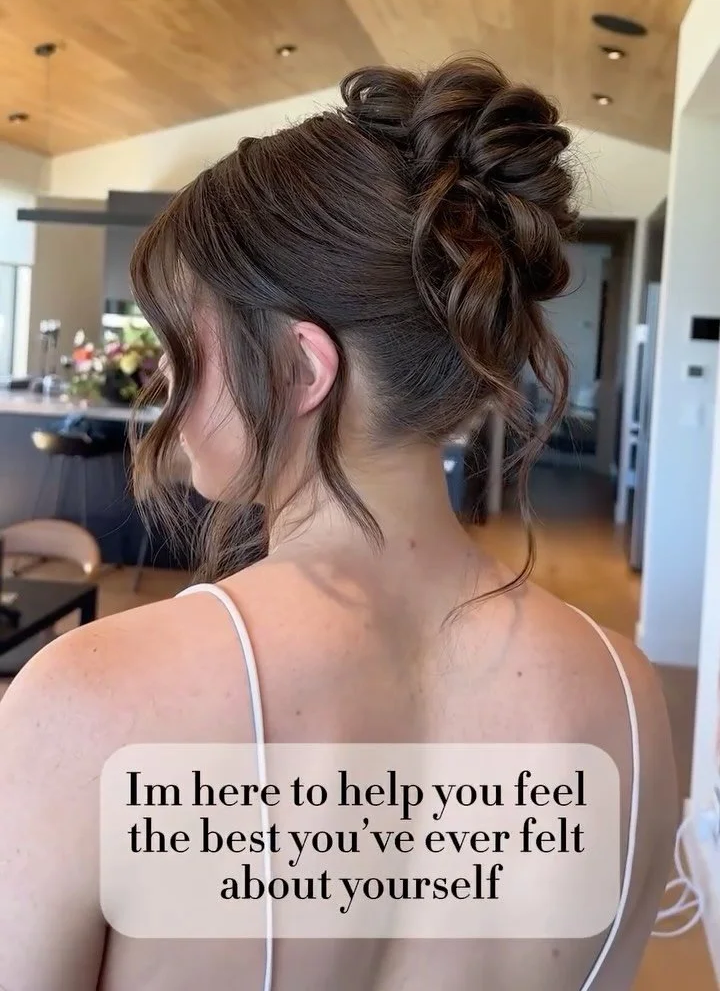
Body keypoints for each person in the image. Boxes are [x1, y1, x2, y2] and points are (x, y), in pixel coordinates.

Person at [0, 57, 676, 990]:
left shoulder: (87, 704)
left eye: (183, 347)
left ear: (297, 369)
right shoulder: (628, 701)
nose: (166, 386)